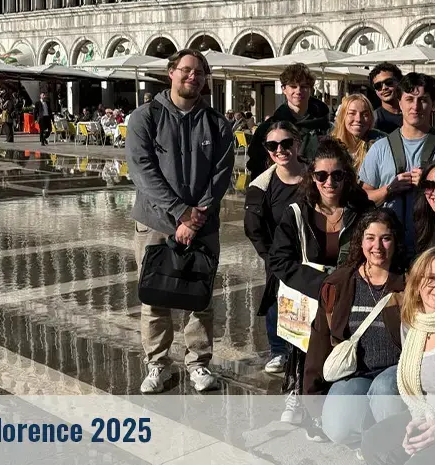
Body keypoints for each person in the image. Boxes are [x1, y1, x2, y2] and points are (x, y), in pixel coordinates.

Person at [126, 49, 235, 394]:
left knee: (199, 297)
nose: (193, 77)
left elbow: (221, 175)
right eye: (186, 70)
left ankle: (198, 363)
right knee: (154, 296)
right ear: (170, 73)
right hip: (155, 222)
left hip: (203, 225)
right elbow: (142, 171)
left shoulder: (217, 123)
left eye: (199, 72)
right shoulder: (145, 117)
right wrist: (179, 212)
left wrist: (195, 215)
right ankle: (157, 363)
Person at [269, 138, 373, 428]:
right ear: (311, 177)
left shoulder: (361, 210)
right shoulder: (296, 212)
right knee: (304, 346)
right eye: (322, 175)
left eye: (337, 175)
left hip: (348, 293)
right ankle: (297, 394)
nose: (330, 182)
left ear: (347, 177)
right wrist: (321, 284)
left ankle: (334, 403)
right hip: (309, 293)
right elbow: (279, 260)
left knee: (340, 350)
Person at [303, 209, 408, 449]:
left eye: (385, 238)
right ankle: (368, 439)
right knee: (337, 428)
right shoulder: (339, 284)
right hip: (354, 372)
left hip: (395, 371)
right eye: (370, 238)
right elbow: (319, 340)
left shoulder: (408, 284)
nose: (377, 246)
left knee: (384, 390)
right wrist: (313, 396)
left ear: (396, 241)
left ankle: (388, 450)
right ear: (360, 241)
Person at [360, 247, 435, 465]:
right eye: (431, 278)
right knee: (373, 443)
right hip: (426, 414)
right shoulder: (412, 322)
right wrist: (418, 420)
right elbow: (416, 390)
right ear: (418, 283)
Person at [359, 72, 435, 257]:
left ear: (432, 104)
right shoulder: (380, 148)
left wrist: (433, 187)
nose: (416, 106)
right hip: (387, 251)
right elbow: (362, 199)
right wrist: (388, 190)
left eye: (423, 100)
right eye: (409, 99)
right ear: (399, 103)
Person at [244, 122, 307, 375]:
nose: (280, 150)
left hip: (313, 250)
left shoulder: (317, 176)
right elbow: (253, 227)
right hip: (279, 254)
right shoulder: (261, 185)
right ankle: (279, 350)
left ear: (297, 143)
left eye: (286, 143)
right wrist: (270, 257)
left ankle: (306, 348)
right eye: (273, 145)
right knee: (277, 299)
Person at [247, 63, 331, 179]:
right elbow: (256, 165)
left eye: (304, 86)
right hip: (280, 190)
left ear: (310, 89)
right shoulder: (267, 128)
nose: (298, 91)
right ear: (284, 89)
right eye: (293, 86)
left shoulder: (326, 127)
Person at [331, 93, 386, 172]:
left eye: (365, 114)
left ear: (371, 118)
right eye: (352, 113)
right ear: (343, 116)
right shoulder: (330, 146)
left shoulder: (380, 145)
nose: (358, 119)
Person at [371, 62, 405, 134]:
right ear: (375, 91)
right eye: (378, 86)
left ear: (400, 83)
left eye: (389, 82)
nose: (384, 88)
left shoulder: (414, 112)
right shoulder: (373, 120)